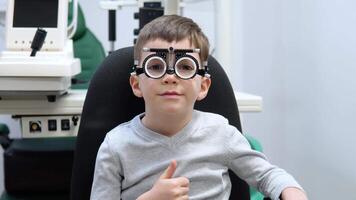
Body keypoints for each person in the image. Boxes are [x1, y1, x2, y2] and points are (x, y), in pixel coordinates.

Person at [90, 15, 308, 200]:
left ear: (203, 86)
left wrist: (292, 192)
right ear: (137, 84)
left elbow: (267, 176)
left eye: (185, 67)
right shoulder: (116, 146)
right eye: (156, 66)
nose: (170, 76)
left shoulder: (221, 133)